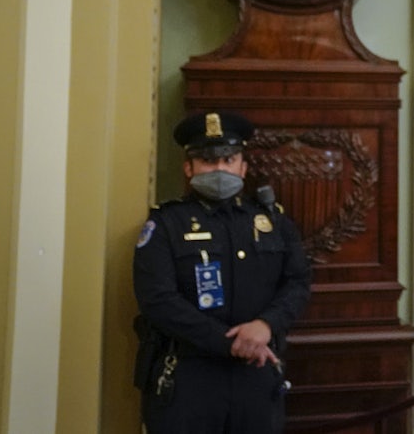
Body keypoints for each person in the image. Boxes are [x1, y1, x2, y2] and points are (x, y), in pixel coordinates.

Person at [133, 110, 311, 434]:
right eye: (207, 161)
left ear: (242, 167)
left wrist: (266, 325)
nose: (219, 169)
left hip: (256, 373)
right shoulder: (165, 224)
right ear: (189, 168)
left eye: (228, 160)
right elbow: (157, 300)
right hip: (188, 377)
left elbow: (297, 282)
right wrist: (228, 342)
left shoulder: (273, 223)